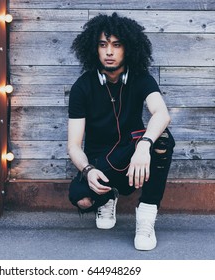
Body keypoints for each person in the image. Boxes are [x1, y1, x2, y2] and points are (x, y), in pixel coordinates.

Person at [67, 12, 175, 251]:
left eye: (116, 45)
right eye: (103, 45)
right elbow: (74, 145)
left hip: (133, 154)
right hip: (100, 161)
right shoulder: (82, 87)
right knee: (82, 199)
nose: (109, 52)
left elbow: (161, 114)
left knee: (163, 140)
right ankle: (107, 197)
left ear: (128, 48)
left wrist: (145, 145)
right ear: (94, 49)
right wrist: (88, 170)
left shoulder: (140, 78)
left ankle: (146, 216)